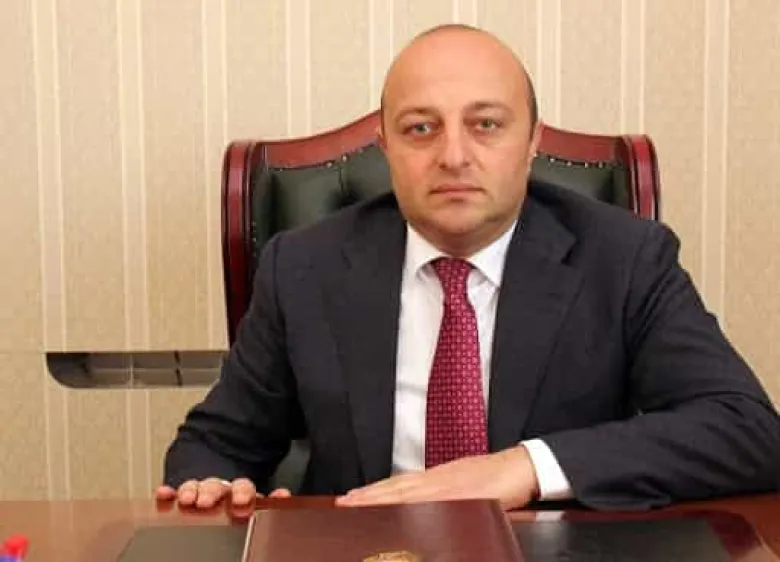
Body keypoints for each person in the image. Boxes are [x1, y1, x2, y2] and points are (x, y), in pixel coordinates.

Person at [158, 24, 779, 512]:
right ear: (386, 145)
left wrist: (526, 466)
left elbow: (749, 431)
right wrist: (215, 485)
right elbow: (216, 443)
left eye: (486, 125)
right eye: (420, 128)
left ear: (532, 140)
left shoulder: (625, 258)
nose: (454, 155)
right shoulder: (303, 267)